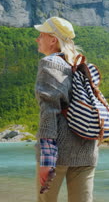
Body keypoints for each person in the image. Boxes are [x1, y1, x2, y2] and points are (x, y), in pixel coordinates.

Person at [34, 17, 99, 202]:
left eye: (41, 35)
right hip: (87, 150)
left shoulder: (50, 64)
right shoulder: (81, 66)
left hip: (58, 154)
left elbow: (49, 113)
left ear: (53, 39)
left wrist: (47, 160)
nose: (37, 39)